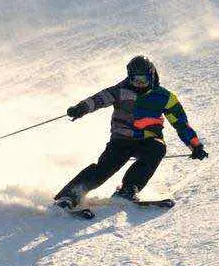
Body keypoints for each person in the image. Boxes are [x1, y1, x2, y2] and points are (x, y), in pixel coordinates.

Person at [54, 55, 208, 209]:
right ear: (129, 77)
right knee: (105, 168)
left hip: (148, 141)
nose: (139, 84)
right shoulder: (121, 90)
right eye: (135, 80)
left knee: (157, 148)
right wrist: (81, 108)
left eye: (143, 80)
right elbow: (98, 99)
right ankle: (70, 195)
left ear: (152, 76)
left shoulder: (164, 97)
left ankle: (128, 189)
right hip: (121, 140)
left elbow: (180, 123)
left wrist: (195, 145)